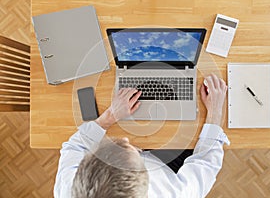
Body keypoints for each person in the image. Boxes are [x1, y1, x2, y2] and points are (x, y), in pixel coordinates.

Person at [54, 74, 230, 198]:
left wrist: (110, 115)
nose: (125, 139)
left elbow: (74, 147)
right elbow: (205, 163)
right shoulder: (175, 193)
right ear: (145, 182)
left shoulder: (70, 188)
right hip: (167, 165)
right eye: (131, 151)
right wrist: (215, 110)